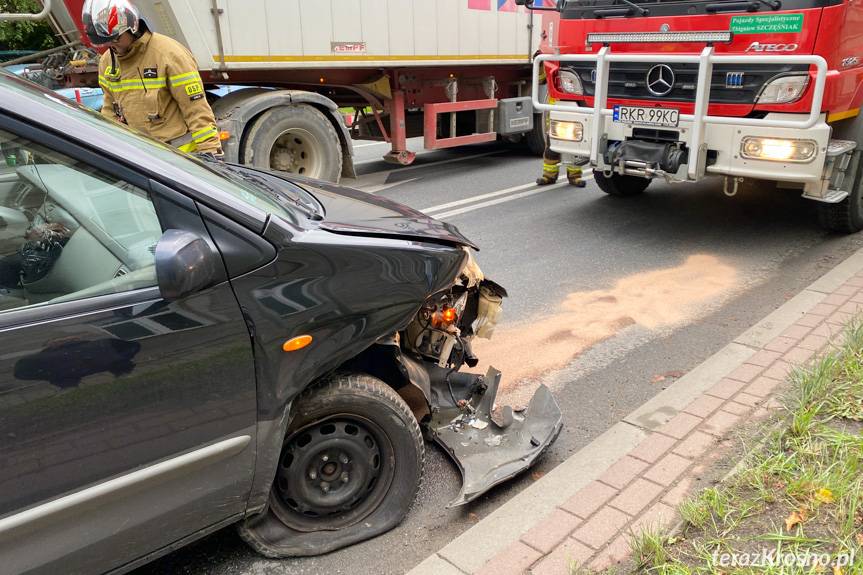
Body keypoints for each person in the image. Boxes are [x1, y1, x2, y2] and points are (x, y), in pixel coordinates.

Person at [82, 0, 222, 157]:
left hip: (181, 157)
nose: (113, 46)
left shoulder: (169, 54)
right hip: (143, 157)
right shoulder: (107, 61)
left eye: (116, 39)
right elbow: (109, 110)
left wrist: (210, 152)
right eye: (106, 42)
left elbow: (195, 109)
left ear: (132, 27)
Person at [535, 62, 586, 188]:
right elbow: (541, 80)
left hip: (573, 106)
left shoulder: (575, 62)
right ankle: (549, 175)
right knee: (552, 145)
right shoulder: (549, 61)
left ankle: (575, 176)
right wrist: (541, 64)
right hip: (554, 108)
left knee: (574, 144)